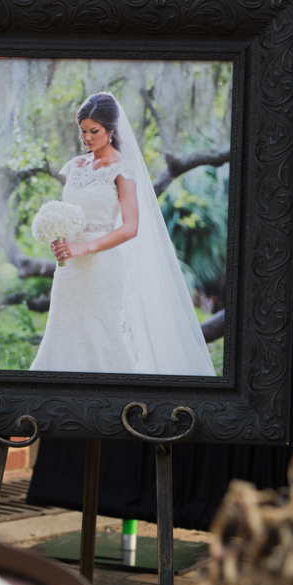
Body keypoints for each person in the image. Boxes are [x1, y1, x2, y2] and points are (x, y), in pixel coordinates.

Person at [30, 92, 216, 375]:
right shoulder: (75, 167)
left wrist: (85, 247)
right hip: (68, 268)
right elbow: (70, 212)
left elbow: (131, 227)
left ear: (111, 130)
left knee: (101, 336)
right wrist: (59, 235)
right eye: (83, 131)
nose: (87, 138)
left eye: (94, 131)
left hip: (102, 266)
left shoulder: (122, 169)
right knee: (61, 332)